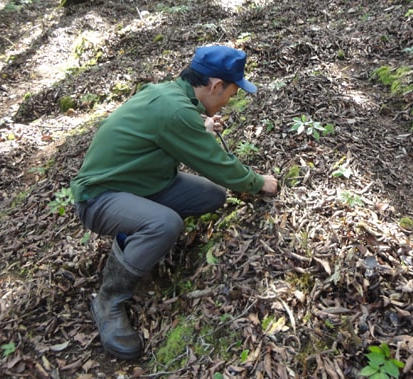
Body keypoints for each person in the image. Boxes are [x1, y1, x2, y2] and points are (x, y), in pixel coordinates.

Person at [70, 45, 278, 360]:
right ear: (215, 86)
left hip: (142, 185)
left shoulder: (173, 97)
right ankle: (108, 300)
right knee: (166, 224)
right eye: (230, 94)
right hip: (99, 197)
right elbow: (220, 166)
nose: (228, 101)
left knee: (211, 196)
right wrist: (259, 183)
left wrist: (201, 126)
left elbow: (170, 130)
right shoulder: (177, 110)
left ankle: (133, 237)